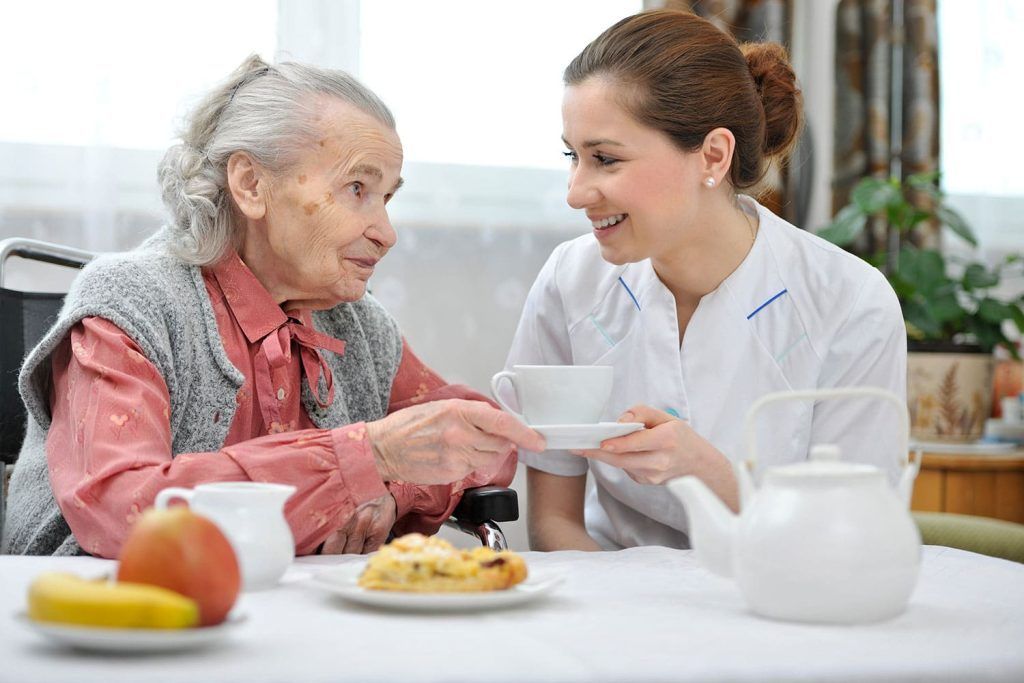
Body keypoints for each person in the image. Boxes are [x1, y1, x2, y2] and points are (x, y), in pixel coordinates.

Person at [4, 55, 545, 557]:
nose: (386, 233)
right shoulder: (132, 302)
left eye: (388, 198)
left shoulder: (356, 322)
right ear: (251, 184)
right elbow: (124, 507)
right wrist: (366, 457)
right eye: (357, 188)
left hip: (289, 622)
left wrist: (394, 487)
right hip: (108, 616)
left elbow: (487, 439)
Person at [502, 10, 907, 551]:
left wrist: (706, 471)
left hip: (781, 603)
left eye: (604, 159)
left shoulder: (851, 304)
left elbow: (853, 537)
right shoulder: (570, 280)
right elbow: (557, 525)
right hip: (607, 599)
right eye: (572, 157)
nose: (575, 191)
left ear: (712, 155)